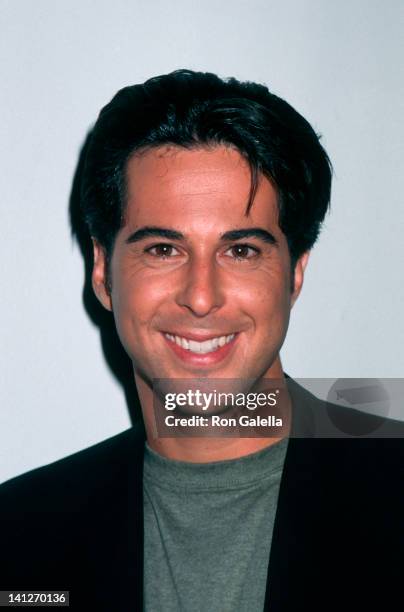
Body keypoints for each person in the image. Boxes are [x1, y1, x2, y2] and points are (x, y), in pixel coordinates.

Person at [0, 70, 402, 612]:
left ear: (295, 274)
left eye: (241, 251)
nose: (201, 297)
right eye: (163, 249)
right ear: (102, 272)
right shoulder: (19, 533)